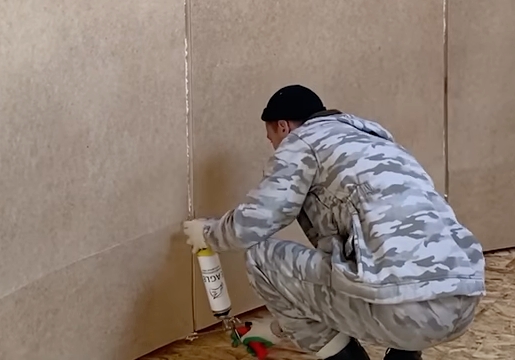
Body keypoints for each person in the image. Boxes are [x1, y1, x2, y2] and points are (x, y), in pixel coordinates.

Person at [183, 85, 485, 360]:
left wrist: (208, 234)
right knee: (399, 261)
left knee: (261, 258)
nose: (273, 145)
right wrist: (277, 329)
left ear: (283, 126)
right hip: (462, 302)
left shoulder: (301, 142)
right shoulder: (381, 144)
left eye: (271, 137)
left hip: (403, 312)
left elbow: (256, 221)